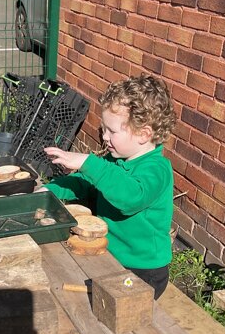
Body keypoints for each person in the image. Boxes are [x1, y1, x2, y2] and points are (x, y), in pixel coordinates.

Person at [43, 74, 176, 299]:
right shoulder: (116, 161)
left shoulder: (157, 169)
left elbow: (130, 197)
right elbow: (84, 182)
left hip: (143, 271)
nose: (104, 137)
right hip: (108, 256)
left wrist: (89, 163)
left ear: (144, 134)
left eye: (112, 131)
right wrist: (49, 191)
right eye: (104, 129)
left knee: (115, 314)